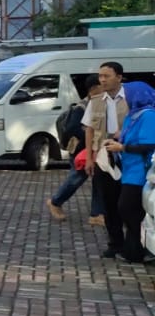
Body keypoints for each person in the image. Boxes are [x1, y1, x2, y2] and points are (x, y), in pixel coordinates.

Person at [103, 81, 155, 264]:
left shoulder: (148, 116)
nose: (125, 99)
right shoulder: (132, 116)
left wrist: (122, 146)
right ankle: (134, 250)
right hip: (129, 170)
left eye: (128, 95)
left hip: (142, 171)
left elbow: (150, 144)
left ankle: (141, 248)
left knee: (128, 208)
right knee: (130, 210)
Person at [84, 61, 127, 258]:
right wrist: (89, 158)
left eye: (106, 76)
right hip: (103, 156)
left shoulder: (131, 98)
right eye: (100, 76)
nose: (102, 80)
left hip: (128, 155)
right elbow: (89, 129)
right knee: (108, 202)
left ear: (119, 77)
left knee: (128, 201)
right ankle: (115, 242)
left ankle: (136, 241)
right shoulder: (95, 101)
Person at [47, 76, 102, 222]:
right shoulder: (82, 106)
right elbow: (73, 128)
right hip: (81, 151)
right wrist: (93, 136)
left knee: (99, 181)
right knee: (76, 178)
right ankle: (55, 202)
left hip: (94, 149)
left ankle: (96, 214)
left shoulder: (99, 103)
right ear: (94, 89)